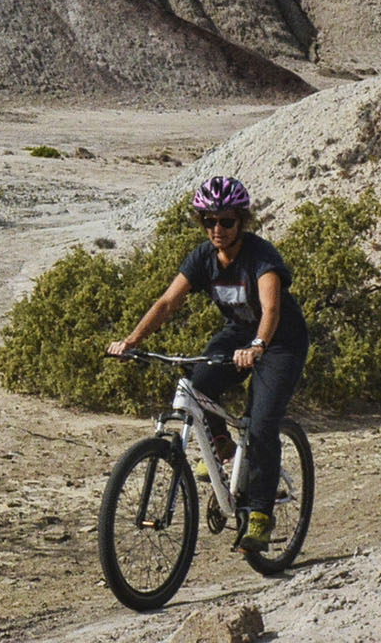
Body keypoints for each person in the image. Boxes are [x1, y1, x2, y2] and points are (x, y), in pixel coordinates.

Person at [106, 176, 308, 552]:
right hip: (238, 336)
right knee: (196, 384)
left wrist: (259, 345)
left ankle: (261, 515)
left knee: (262, 423)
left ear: (241, 222)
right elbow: (167, 303)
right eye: (208, 221)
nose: (217, 229)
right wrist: (132, 341)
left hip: (280, 342)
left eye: (226, 221)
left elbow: (272, 309)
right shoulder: (203, 258)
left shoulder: (261, 258)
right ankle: (224, 452)